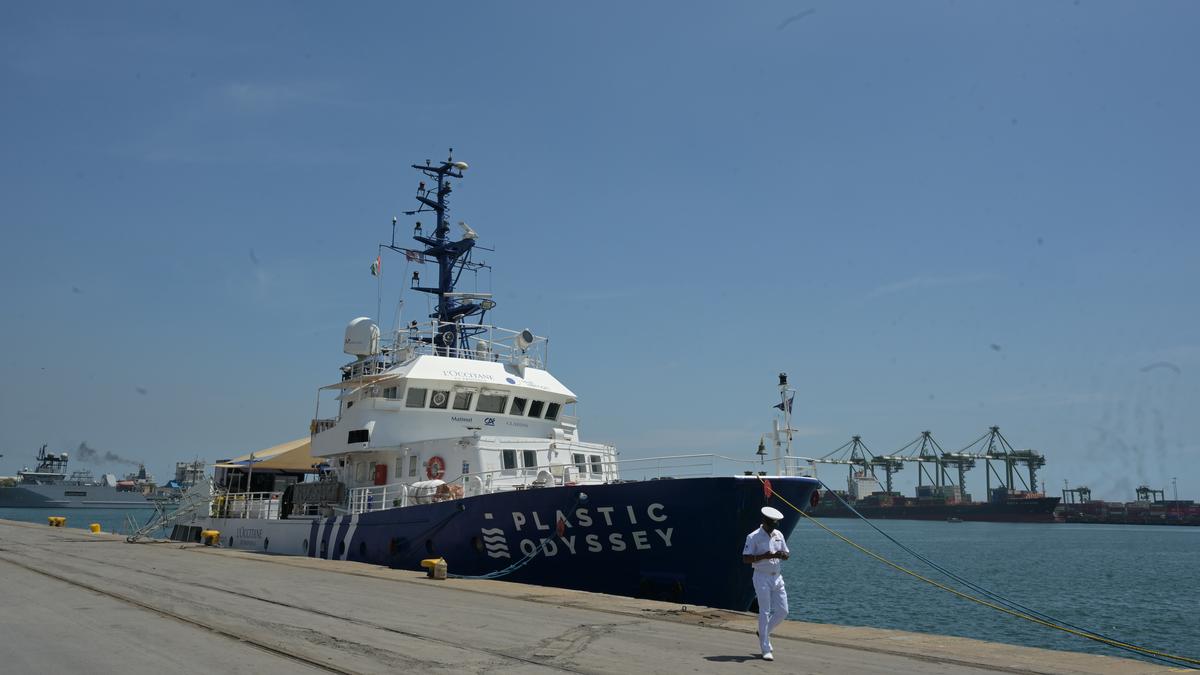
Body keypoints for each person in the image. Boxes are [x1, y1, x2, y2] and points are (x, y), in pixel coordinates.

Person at [742, 506, 790, 661]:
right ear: (764, 521)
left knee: (783, 611)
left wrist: (783, 555)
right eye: (770, 525)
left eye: (774, 525)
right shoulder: (753, 537)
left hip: (777, 576)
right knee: (765, 611)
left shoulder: (778, 534)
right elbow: (746, 558)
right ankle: (765, 648)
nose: (772, 528)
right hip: (761, 576)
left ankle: (763, 632)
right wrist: (764, 556)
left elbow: (786, 552)